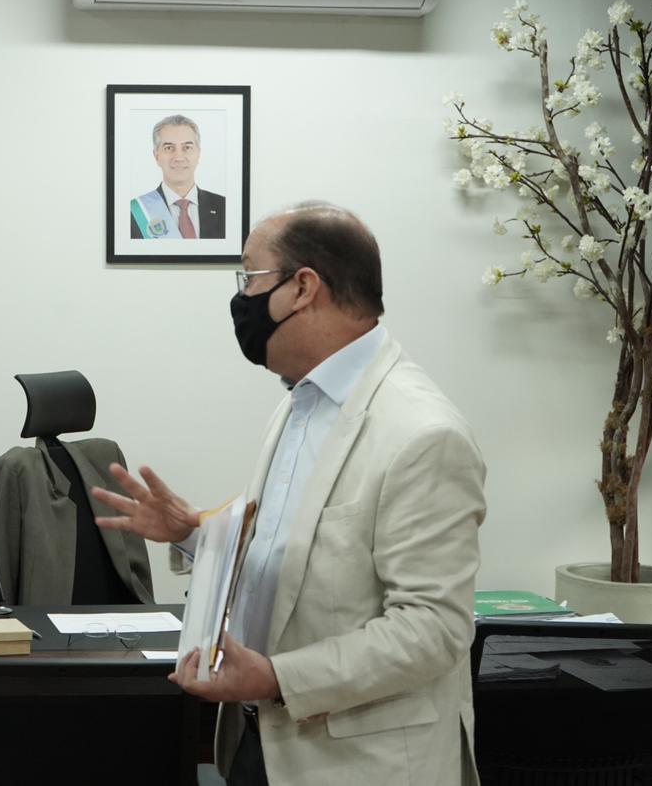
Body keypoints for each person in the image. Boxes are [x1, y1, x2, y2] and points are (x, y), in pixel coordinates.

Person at [93, 202, 485, 786]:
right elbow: (290, 550)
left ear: (303, 288)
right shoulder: (301, 402)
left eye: (249, 277)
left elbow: (433, 629)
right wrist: (193, 533)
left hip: (358, 766)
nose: (241, 299)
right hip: (261, 740)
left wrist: (277, 678)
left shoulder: (422, 433)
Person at [129, 114, 226, 240]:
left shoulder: (225, 207)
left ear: (198, 154)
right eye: (169, 148)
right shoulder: (134, 213)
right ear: (156, 156)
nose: (179, 157)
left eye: (187, 147)